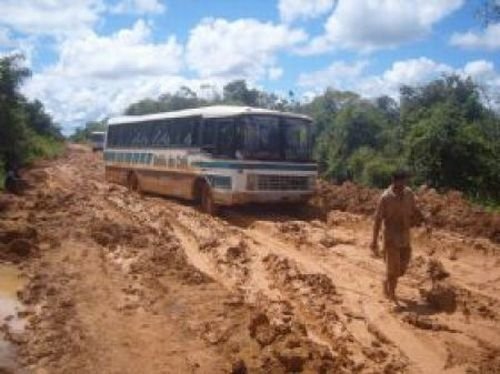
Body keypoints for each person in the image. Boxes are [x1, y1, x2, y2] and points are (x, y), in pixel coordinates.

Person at [370, 169, 430, 302]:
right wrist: (374, 240)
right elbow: (378, 219)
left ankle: (386, 282)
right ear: (394, 181)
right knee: (393, 268)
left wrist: (425, 219)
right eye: (400, 181)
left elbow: (414, 209)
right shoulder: (385, 198)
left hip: (404, 236)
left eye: (405, 181)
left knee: (402, 268)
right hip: (390, 237)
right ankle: (392, 294)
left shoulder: (409, 193)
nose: (403, 184)